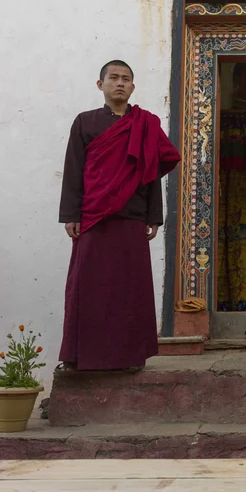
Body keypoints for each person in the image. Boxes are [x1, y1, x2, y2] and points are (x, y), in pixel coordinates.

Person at [58, 60, 181, 371]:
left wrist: (153, 215)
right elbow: (74, 171)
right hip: (94, 217)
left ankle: (128, 357)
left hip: (131, 218)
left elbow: (152, 170)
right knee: (88, 288)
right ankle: (82, 357)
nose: (120, 83)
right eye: (113, 78)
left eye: (126, 79)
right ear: (101, 85)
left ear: (133, 87)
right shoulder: (85, 123)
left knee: (129, 290)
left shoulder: (145, 124)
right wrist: (71, 214)